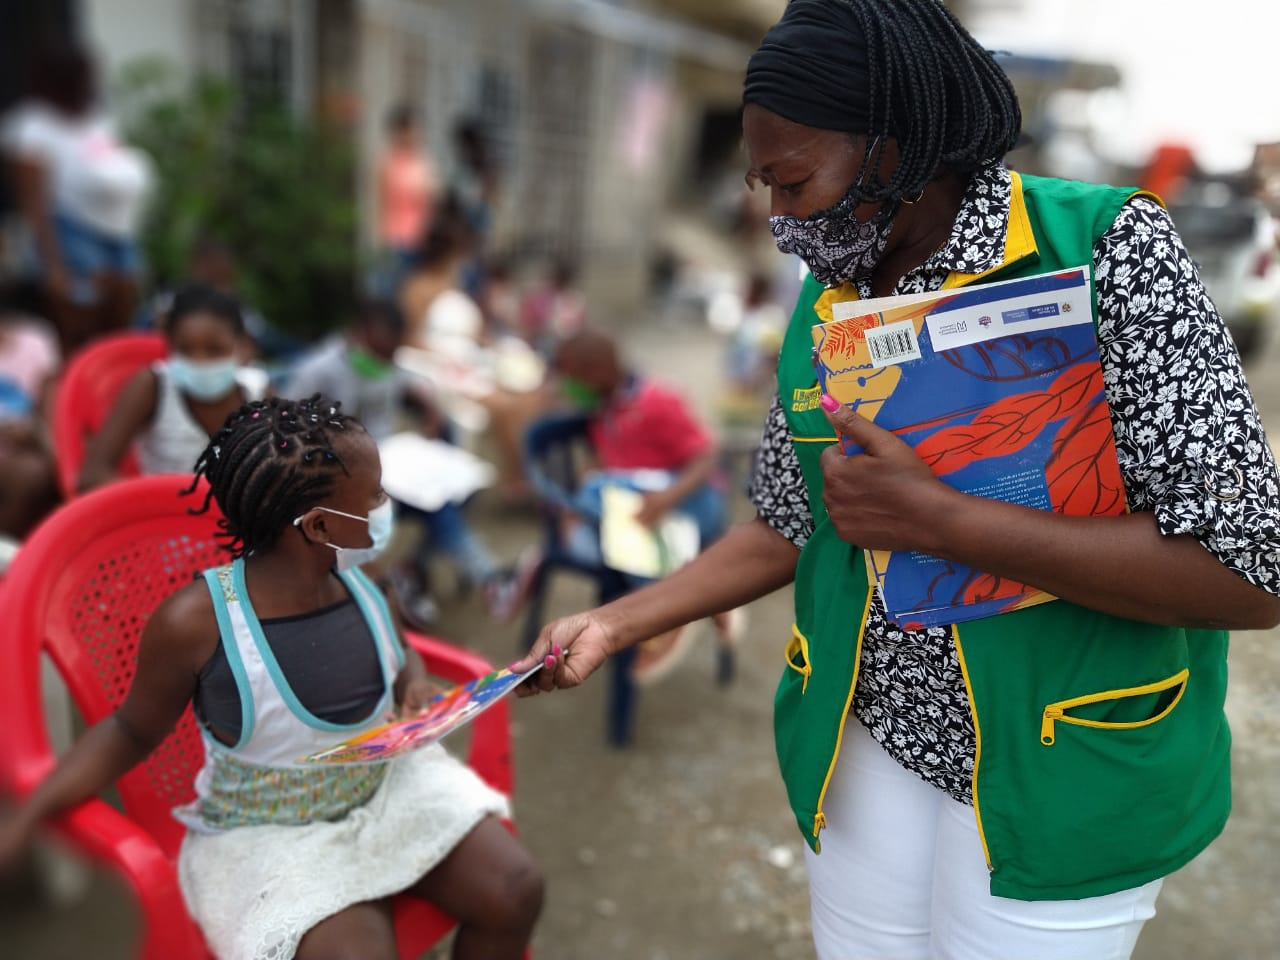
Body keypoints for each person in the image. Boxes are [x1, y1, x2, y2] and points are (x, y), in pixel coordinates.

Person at [515, 3, 1280, 959]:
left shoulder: (1110, 254)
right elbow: (792, 523)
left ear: (899, 146)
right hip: (876, 743)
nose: (779, 218)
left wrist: (945, 522)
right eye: (762, 184)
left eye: (793, 181)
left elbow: (1250, 573)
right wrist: (620, 621)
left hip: (1068, 761)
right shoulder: (833, 293)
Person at [0, 395, 543, 959]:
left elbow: (399, 647)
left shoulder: (363, 580)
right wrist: (33, 812)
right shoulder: (199, 622)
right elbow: (130, 731)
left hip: (385, 788)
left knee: (516, 889)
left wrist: (413, 684)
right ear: (319, 525)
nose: (386, 506)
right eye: (375, 496)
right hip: (274, 837)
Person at [530, 328, 744, 682]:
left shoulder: (658, 399)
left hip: (691, 501)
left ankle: (675, 612)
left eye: (572, 379)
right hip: (642, 505)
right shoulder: (605, 406)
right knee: (588, 540)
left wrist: (666, 498)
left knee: (595, 493)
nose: (568, 389)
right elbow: (608, 460)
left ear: (597, 373)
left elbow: (708, 456)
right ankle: (699, 590)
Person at [283, 298, 513, 626]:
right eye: (379, 353)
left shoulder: (390, 363)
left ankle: (444, 576)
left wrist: (431, 410)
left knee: (451, 495)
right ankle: (485, 577)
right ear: (359, 335)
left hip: (388, 465)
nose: (385, 362)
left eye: (391, 354)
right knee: (438, 506)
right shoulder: (319, 371)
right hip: (339, 477)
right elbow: (285, 426)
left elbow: (416, 385)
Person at [0, 40, 152, 353]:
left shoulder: (94, 118)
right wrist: (54, 267)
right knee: (82, 324)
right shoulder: (32, 126)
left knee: (121, 315)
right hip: (70, 234)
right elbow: (34, 204)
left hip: (116, 233)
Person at [77, 285, 266, 490]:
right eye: (186, 350)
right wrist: (161, 504)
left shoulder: (259, 392)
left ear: (242, 346)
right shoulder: (152, 386)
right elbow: (92, 475)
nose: (199, 361)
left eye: (215, 350)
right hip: (163, 517)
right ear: (170, 346)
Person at [374, 103, 439, 297]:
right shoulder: (387, 162)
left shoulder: (424, 163)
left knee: (412, 294)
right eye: (409, 129)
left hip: (420, 240)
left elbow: (431, 204)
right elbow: (381, 204)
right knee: (388, 292)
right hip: (395, 239)